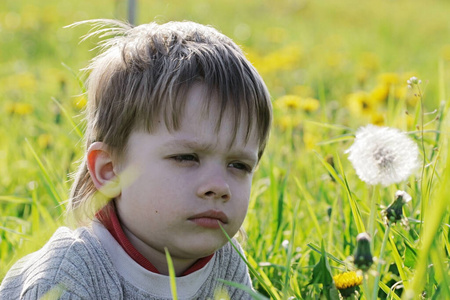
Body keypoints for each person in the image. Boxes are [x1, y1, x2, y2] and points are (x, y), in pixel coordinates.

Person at [0, 19, 272, 299]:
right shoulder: (67, 277)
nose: (219, 186)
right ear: (110, 171)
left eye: (238, 165)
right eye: (186, 157)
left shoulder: (226, 263)